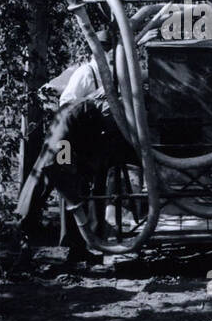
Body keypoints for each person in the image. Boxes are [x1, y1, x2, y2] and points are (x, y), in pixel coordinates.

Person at [16, 31, 132, 265]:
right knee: (59, 185)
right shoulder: (85, 73)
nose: (109, 54)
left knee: (78, 188)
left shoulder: (108, 74)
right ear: (97, 51)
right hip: (66, 140)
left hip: (83, 140)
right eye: (106, 49)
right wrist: (94, 99)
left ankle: (79, 245)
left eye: (111, 49)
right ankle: (26, 239)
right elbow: (67, 103)